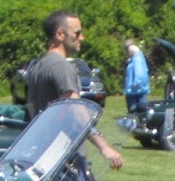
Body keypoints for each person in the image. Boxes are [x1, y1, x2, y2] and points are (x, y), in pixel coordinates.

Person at [25, 11, 122, 168]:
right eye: (77, 33)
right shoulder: (62, 67)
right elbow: (77, 112)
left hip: (44, 155)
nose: (81, 38)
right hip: (65, 159)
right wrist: (104, 147)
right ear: (60, 34)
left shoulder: (39, 66)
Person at [123, 39, 148, 113]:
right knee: (140, 111)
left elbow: (139, 72)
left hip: (134, 90)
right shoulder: (135, 59)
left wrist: (136, 83)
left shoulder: (137, 59)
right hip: (136, 90)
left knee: (134, 111)